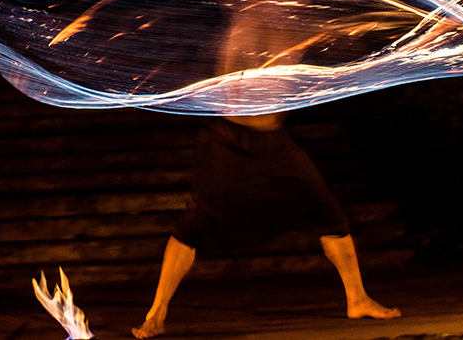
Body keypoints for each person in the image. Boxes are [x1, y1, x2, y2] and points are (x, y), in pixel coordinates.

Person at [131, 112, 400, 339]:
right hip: (229, 139)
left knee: (326, 209)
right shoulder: (239, 49)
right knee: (197, 220)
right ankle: (156, 313)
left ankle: (358, 299)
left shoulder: (281, 51)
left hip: (273, 142)